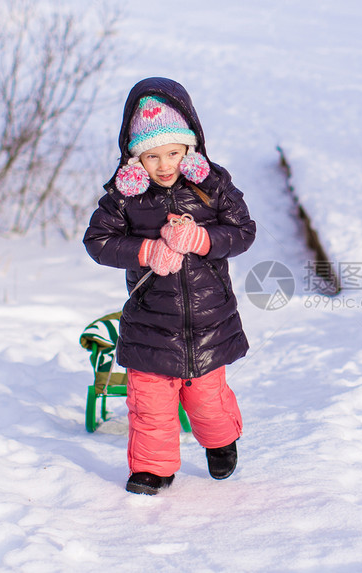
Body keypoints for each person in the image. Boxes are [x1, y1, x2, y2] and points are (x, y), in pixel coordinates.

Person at [83, 77, 256, 495]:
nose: (164, 165)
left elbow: (243, 231)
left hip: (208, 319)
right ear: (135, 157)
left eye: (174, 153)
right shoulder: (123, 199)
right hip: (150, 322)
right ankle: (151, 469)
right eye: (152, 156)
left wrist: (203, 240)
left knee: (206, 401)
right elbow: (98, 242)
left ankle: (220, 442)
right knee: (150, 405)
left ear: (190, 150)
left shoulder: (211, 186)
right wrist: (145, 252)